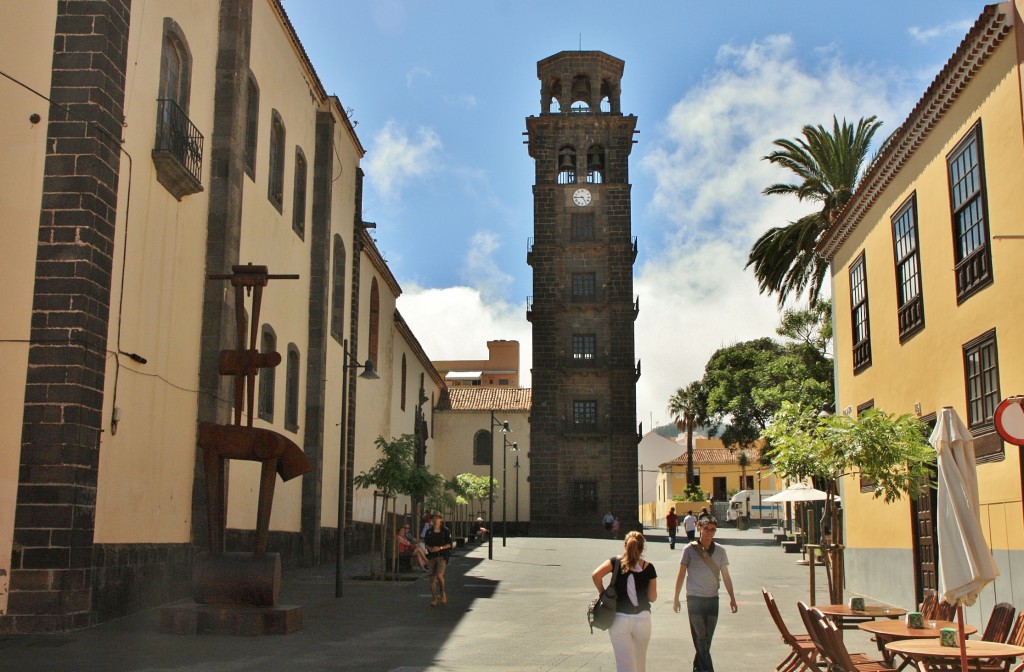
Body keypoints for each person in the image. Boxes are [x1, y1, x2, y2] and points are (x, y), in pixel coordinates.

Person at [673, 518, 737, 672]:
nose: (709, 532)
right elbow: (681, 575)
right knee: (700, 638)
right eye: (706, 528)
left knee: (706, 640)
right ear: (699, 528)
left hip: (712, 599)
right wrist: (676, 598)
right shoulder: (689, 550)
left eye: (713, 529)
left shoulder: (720, 551)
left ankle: (698, 669)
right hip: (694, 600)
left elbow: (726, 576)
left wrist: (732, 598)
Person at [592, 531, 657, 672]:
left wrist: (603, 593)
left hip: (619, 619)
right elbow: (652, 597)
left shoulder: (615, 562)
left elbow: (596, 575)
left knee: (624, 665)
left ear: (625, 545)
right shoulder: (649, 568)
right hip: (643, 619)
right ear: (642, 548)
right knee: (640, 664)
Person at [424, 513, 453, 606]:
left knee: (439, 575)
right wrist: (429, 548)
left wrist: (440, 548)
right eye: (433, 518)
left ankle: (442, 592)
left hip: (442, 556)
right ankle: (434, 598)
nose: (435, 520)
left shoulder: (445, 530)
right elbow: (426, 543)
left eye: (437, 518)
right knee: (432, 577)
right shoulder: (429, 531)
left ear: (441, 520)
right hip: (431, 556)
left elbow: (449, 544)